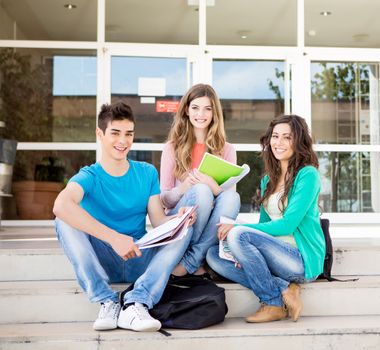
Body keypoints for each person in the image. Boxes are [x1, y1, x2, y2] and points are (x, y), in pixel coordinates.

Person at [53, 101, 196, 332]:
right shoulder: (89, 175)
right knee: (63, 220)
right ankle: (107, 300)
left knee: (185, 227)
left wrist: (178, 219)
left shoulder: (147, 172)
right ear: (100, 134)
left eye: (129, 134)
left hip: (140, 255)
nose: (123, 141)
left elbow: (159, 222)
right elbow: (60, 205)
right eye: (115, 133)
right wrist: (114, 238)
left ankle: (135, 302)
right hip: (104, 259)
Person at [206, 114, 325, 323]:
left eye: (287, 137)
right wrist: (240, 249)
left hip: (299, 260)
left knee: (238, 234)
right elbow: (263, 226)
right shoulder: (268, 180)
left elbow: (288, 224)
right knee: (213, 256)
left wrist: (238, 228)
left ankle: (272, 302)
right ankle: (285, 288)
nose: (278, 143)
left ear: (298, 141)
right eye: (275, 136)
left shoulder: (308, 175)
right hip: (274, 257)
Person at [160, 83, 240, 278]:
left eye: (207, 108)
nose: (201, 114)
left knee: (233, 197)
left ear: (214, 113)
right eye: (195, 107)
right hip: (181, 214)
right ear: (186, 110)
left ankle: (191, 260)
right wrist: (186, 187)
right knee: (201, 191)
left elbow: (229, 202)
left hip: (211, 218)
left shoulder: (227, 149)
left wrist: (213, 186)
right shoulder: (171, 148)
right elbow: (164, 201)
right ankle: (193, 259)